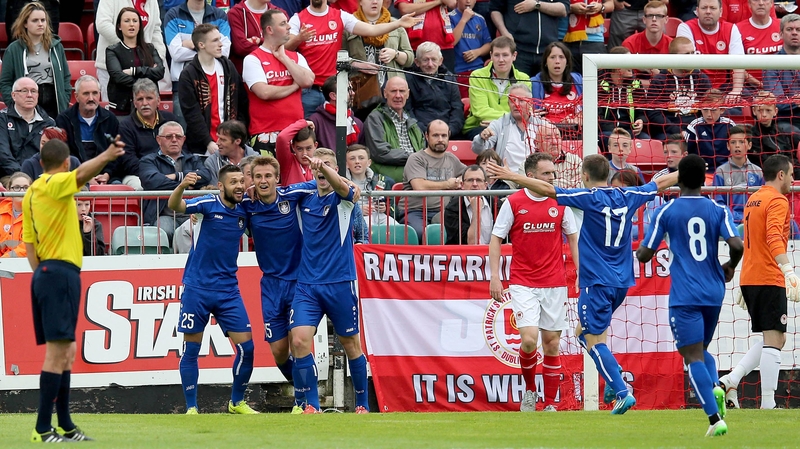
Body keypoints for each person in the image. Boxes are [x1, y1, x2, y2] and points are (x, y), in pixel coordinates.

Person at [485, 153, 679, 415]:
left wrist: (511, 176)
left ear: (584, 176)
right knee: (582, 333)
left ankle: (620, 390)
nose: (552, 176)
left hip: (596, 281)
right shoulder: (630, 195)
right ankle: (611, 378)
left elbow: (549, 190)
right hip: (622, 282)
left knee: (589, 337)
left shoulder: (586, 198)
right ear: (608, 174)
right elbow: (660, 184)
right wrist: (687, 171)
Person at [24, 136, 125, 443]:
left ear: (41, 163)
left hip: (46, 271)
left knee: (66, 351)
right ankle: (43, 428)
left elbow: (30, 244)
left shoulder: (31, 193)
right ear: (65, 164)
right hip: (59, 271)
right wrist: (107, 154)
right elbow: (81, 176)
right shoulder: (53, 185)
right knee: (58, 354)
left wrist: (42, 273)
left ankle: (65, 425)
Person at [636, 154, 743, 437]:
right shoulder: (718, 210)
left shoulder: (667, 212)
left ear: (679, 179)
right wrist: (730, 266)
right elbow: (737, 244)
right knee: (701, 349)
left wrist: (639, 250)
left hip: (685, 293)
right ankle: (716, 388)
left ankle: (713, 419)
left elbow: (645, 254)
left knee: (691, 355)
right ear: (704, 180)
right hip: (714, 290)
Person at [167, 164, 260, 415]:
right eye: (233, 182)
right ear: (221, 186)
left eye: (242, 181)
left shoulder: (245, 210)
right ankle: (191, 407)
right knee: (192, 349)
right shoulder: (208, 204)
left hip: (228, 290)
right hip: (197, 288)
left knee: (247, 348)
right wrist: (183, 186)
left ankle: (236, 402)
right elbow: (175, 206)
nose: (239, 185)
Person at [489, 152, 578, 411]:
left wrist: (580, 273)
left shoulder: (560, 202)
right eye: (546, 174)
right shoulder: (514, 202)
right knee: (529, 340)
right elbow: (496, 238)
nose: (552, 177)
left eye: (553, 173)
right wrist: (495, 276)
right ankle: (529, 392)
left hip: (554, 282)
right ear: (531, 177)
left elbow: (572, 237)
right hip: (523, 281)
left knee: (552, 343)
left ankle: (550, 403)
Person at [289, 148, 370, 414]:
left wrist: (326, 168)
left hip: (340, 283)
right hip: (308, 285)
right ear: (311, 170)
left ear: (337, 170)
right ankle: (312, 404)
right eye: (318, 166)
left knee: (350, 344)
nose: (322, 170)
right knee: (299, 341)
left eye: (329, 166)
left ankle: (362, 403)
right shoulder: (304, 198)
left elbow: (344, 188)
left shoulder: (344, 199)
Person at [719, 155, 800, 410]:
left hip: (751, 277)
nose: (792, 179)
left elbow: (751, 240)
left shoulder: (753, 199)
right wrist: (788, 270)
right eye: (791, 174)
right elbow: (774, 236)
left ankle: (731, 380)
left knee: (773, 338)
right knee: (775, 338)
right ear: (780, 175)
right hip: (768, 276)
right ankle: (767, 404)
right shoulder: (777, 200)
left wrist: (745, 276)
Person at [242, 156, 317, 412]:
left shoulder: (292, 195)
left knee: (299, 342)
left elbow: (321, 184)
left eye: (268, 176)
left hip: (299, 282)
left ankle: (305, 402)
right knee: (279, 353)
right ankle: (304, 391)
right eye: (258, 176)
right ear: (252, 179)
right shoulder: (246, 204)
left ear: (277, 178)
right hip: (271, 285)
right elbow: (222, 203)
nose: (263, 181)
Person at [286, 0, 420, 117]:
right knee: (310, 129)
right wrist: (299, 39)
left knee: (339, 133)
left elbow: (371, 30)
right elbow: (286, 47)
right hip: (310, 90)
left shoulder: (340, 16)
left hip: (336, 87)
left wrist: (398, 23)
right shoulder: (297, 19)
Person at [243, 10, 314, 156]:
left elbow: (307, 81)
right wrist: (294, 86)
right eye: (283, 24)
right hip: (265, 133)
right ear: (269, 29)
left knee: (298, 179)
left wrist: (283, 58)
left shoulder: (295, 56)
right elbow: (264, 92)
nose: (289, 27)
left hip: (296, 132)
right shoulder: (253, 59)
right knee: (269, 178)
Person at [179, 24, 248, 156]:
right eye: (215, 40)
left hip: (232, 141)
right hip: (202, 146)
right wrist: (208, 142)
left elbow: (241, 101)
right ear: (201, 45)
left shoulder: (227, 66)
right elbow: (191, 114)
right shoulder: (189, 74)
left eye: (220, 39)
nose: (221, 44)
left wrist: (239, 134)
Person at [139, 122, 212, 242]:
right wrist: (186, 185)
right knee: (163, 232)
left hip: (191, 212)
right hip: (163, 214)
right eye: (168, 137)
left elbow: (205, 176)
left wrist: (177, 176)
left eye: (178, 137)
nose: (174, 140)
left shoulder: (194, 159)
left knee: (200, 232)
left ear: (183, 139)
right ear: (158, 140)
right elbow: (153, 181)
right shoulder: (148, 161)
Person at [164, 0, 232, 122]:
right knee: (185, 132)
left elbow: (224, 52)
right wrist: (208, 49)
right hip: (182, 85)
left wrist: (189, 44)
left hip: (216, 84)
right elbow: (176, 53)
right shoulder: (173, 14)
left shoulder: (220, 15)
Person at [0, 2, 70, 118]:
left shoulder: (56, 46)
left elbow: (66, 77)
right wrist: (14, 104)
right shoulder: (13, 49)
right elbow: (5, 82)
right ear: (25, 23)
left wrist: (64, 99)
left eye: (43, 20)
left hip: (53, 104)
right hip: (26, 101)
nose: (40, 24)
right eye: (35, 20)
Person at [402, 119, 467, 238]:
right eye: (436, 135)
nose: (440, 139)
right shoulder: (416, 158)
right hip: (415, 211)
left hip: (444, 212)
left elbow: (470, 173)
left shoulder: (451, 159)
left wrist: (460, 179)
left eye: (444, 135)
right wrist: (448, 184)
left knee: (458, 231)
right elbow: (419, 186)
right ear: (427, 136)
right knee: (421, 234)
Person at [95, 0, 169, 101]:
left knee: (145, 110)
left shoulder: (152, 1)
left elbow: (155, 29)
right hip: (114, 67)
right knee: (115, 113)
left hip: (144, 69)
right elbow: (103, 25)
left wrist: (158, 58)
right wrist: (129, 47)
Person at [116, 79, 181, 190]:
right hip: (137, 175)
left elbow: (183, 149)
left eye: (149, 98)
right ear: (135, 103)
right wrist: (155, 174)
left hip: (171, 171)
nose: (145, 103)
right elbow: (128, 161)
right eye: (140, 99)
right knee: (141, 187)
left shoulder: (170, 120)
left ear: (158, 101)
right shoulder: (125, 126)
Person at [462, 37, 531, 140]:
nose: (501, 60)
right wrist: (506, 120)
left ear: (514, 56)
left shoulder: (524, 79)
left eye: (505, 55)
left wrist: (500, 122)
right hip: (479, 127)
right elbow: (480, 112)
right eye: (497, 55)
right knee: (495, 137)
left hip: (513, 126)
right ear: (491, 56)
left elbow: (524, 111)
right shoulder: (477, 76)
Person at [56, 76, 121, 184]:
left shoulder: (111, 119)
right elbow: (64, 155)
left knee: (117, 188)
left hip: (106, 177)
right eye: (86, 94)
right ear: (76, 96)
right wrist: (86, 177)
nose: (91, 98)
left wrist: (107, 174)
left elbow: (118, 154)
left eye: (95, 93)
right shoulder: (64, 120)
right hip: (75, 176)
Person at [645, 37, 712, 140]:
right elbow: (653, 113)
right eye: (686, 54)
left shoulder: (701, 79)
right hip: (668, 132)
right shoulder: (660, 80)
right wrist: (678, 131)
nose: (691, 58)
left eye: (692, 53)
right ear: (673, 57)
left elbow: (709, 108)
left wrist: (694, 130)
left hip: (697, 129)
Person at [676, 0, 745, 99]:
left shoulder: (731, 29)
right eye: (704, 8)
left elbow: (739, 63)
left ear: (721, 11)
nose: (708, 11)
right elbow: (689, 65)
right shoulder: (686, 28)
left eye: (713, 8)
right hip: (695, 86)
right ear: (697, 11)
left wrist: (736, 91)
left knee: (746, 103)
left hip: (724, 87)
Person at [363, 77, 426, 182]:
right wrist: (413, 157)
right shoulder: (375, 118)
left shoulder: (412, 122)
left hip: (416, 173)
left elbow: (423, 151)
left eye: (402, 91)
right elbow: (380, 153)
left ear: (408, 94)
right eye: (393, 91)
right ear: (385, 94)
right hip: (389, 177)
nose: (398, 95)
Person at [105, 8, 165, 116]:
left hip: (148, 108)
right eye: (127, 21)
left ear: (139, 26)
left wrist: (134, 71)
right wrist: (146, 82)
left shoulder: (150, 48)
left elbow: (160, 71)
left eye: (135, 21)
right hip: (122, 108)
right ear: (119, 26)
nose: (131, 24)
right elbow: (118, 76)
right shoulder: (112, 51)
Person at [471, 83, 540, 174]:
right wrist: (481, 138)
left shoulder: (541, 125)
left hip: (534, 178)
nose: (516, 104)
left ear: (530, 102)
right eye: (512, 100)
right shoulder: (499, 124)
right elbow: (478, 150)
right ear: (508, 104)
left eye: (521, 100)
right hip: (506, 177)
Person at [345, 0, 414, 91]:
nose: (374, 2)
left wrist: (395, 54)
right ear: (360, 2)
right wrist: (358, 65)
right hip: (360, 88)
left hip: (392, 90)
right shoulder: (348, 26)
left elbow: (410, 60)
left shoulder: (396, 24)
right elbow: (339, 59)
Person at [489, 0, 568, 76]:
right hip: (518, 49)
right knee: (518, 87)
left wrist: (536, 5)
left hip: (547, 50)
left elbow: (564, 9)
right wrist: (504, 32)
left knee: (546, 88)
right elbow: (495, 9)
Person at [406, 41, 465, 138]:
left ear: (440, 61)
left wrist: (450, 131)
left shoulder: (450, 79)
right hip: (421, 134)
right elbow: (408, 112)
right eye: (425, 60)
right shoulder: (409, 80)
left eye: (434, 59)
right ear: (417, 62)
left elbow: (457, 109)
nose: (430, 64)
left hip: (448, 133)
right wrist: (426, 132)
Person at [0, 77, 56, 176]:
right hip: (9, 176)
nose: (30, 95)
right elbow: (3, 154)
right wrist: (23, 175)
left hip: (40, 175)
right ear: (13, 95)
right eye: (24, 91)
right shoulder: (2, 119)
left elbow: (52, 155)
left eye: (33, 91)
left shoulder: (49, 123)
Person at [712, 125, 764, 224]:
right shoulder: (721, 172)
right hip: (729, 220)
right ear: (728, 146)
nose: (737, 146)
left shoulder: (758, 172)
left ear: (749, 145)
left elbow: (762, 200)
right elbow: (719, 203)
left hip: (754, 219)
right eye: (733, 142)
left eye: (741, 142)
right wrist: (738, 218)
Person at [686, 89, 737, 177]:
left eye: (713, 110)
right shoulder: (694, 126)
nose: (709, 114)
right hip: (702, 172)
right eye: (705, 110)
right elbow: (689, 153)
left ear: (722, 110)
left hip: (727, 172)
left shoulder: (730, 125)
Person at [530, 42, 583, 127]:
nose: (557, 61)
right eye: (552, 57)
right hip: (545, 131)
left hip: (574, 131)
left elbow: (587, 112)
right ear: (545, 62)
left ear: (567, 62)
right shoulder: (533, 83)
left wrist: (579, 119)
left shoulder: (579, 82)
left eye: (561, 57)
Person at [748, 91, 800, 176]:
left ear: (775, 111)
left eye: (768, 110)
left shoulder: (782, 133)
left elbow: (791, 157)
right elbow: (761, 161)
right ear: (754, 111)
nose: (764, 114)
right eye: (760, 110)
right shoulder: (752, 135)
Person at [394, 0, 456, 71]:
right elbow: (405, 9)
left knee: (445, 79)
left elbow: (452, 3)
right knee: (415, 80)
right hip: (416, 46)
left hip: (444, 46)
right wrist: (438, 1)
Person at [762, 14, 800, 128]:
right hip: (786, 120)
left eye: (798, 29)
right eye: (789, 29)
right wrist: (796, 101)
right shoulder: (771, 63)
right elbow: (778, 102)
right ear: (781, 35)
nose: (794, 33)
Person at [736, 0, 781, 95]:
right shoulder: (737, 29)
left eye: (765, 0)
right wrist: (760, 84)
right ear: (749, 4)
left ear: (772, 3)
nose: (761, 3)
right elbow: (736, 66)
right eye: (756, 0)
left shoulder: (783, 26)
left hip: (782, 85)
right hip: (751, 88)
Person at [444, 164, 497, 244]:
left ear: (485, 185)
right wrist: (476, 212)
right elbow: (471, 243)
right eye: (470, 180)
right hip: (465, 254)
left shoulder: (496, 204)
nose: (475, 184)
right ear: (462, 185)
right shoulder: (453, 208)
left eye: (479, 180)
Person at [346, 144, 396, 226]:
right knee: (369, 225)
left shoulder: (382, 180)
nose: (357, 161)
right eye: (352, 158)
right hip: (356, 217)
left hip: (380, 216)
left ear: (369, 162)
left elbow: (394, 208)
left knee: (397, 228)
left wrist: (385, 208)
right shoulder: (343, 182)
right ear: (347, 164)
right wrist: (357, 210)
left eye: (361, 158)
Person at [450, 0, 492, 98]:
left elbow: (489, 44)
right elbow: (451, 42)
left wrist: (478, 52)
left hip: (478, 71)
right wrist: (464, 20)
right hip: (458, 71)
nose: (468, 1)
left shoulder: (480, 19)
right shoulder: (450, 17)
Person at [228, 0, 285, 72]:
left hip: (278, 72)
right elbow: (241, 48)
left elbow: (286, 42)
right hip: (248, 73)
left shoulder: (279, 12)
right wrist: (274, 45)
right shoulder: (235, 14)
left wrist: (260, 41)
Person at [309, 76, 364, 151]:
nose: (353, 93)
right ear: (333, 96)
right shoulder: (315, 121)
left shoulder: (357, 123)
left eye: (352, 89)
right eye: (348, 90)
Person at [562, 0, 610, 73]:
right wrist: (570, 8)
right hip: (565, 39)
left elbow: (611, 4)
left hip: (594, 40)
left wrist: (601, 7)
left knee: (596, 81)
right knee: (569, 82)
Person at [205, 120, 259, 185]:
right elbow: (213, 190)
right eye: (218, 138)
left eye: (223, 140)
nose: (217, 143)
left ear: (237, 141)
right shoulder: (212, 162)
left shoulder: (257, 161)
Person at [534, 121, 583, 189]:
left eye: (557, 137)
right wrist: (569, 183)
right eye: (548, 138)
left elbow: (583, 185)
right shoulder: (528, 163)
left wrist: (548, 183)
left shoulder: (575, 160)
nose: (554, 142)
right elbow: (527, 186)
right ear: (536, 143)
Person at [276, 119, 318, 185]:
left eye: (308, 148)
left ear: (315, 145)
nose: (304, 154)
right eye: (300, 149)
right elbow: (282, 137)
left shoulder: (320, 164)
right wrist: (304, 123)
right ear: (293, 147)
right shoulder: (288, 163)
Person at [0, 172, 31, 258]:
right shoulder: (1, 212)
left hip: (28, 266)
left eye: (25, 188)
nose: (21, 191)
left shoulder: (39, 214)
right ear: (9, 189)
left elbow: (29, 247)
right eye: (17, 187)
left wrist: (6, 259)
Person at [77, 186, 106, 257]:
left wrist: (88, 234)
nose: (83, 209)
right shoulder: (65, 223)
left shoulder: (96, 225)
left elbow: (99, 255)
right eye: (78, 204)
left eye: (87, 204)